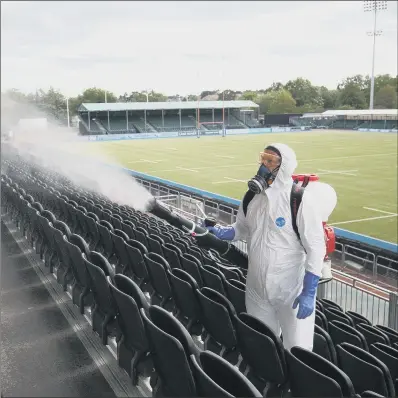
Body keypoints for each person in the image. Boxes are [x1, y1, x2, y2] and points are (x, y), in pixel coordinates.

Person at [205, 143, 326, 351]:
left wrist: (309, 291)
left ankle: (296, 383)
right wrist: (220, 232)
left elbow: (316, 247)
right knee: (262, 346)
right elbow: (241, 229)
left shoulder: (299, 199)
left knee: (298, 350)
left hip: (291, 291)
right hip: (256, 288)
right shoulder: (251, 197)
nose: (263, 165)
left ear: (284, 167)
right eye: (263, 159)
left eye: (270, 161)